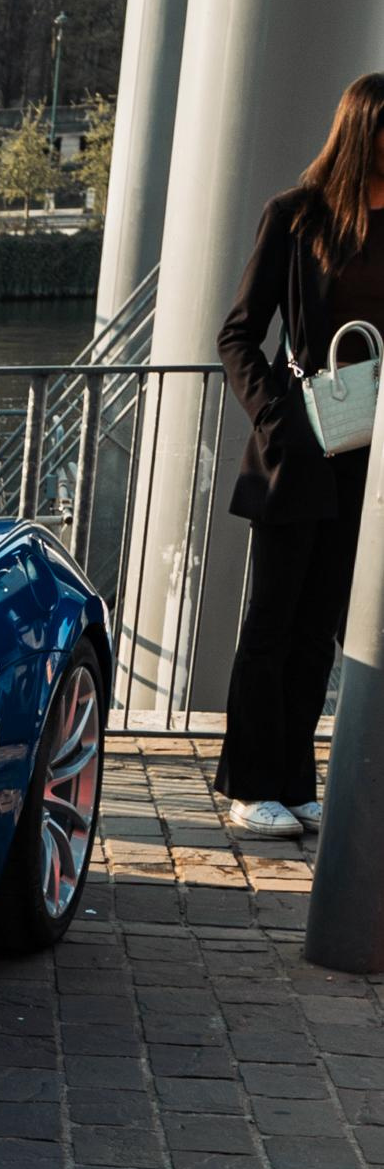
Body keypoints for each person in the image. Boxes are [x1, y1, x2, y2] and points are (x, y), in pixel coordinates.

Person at [216, 70, 384, 838]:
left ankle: (292, 779)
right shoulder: (295, 217)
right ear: (364, 133)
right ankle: (250, 785)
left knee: (320, 625)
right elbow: (237, 334)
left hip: (369, 453)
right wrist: (277, 419)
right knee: (272, 621)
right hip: (300, 444)